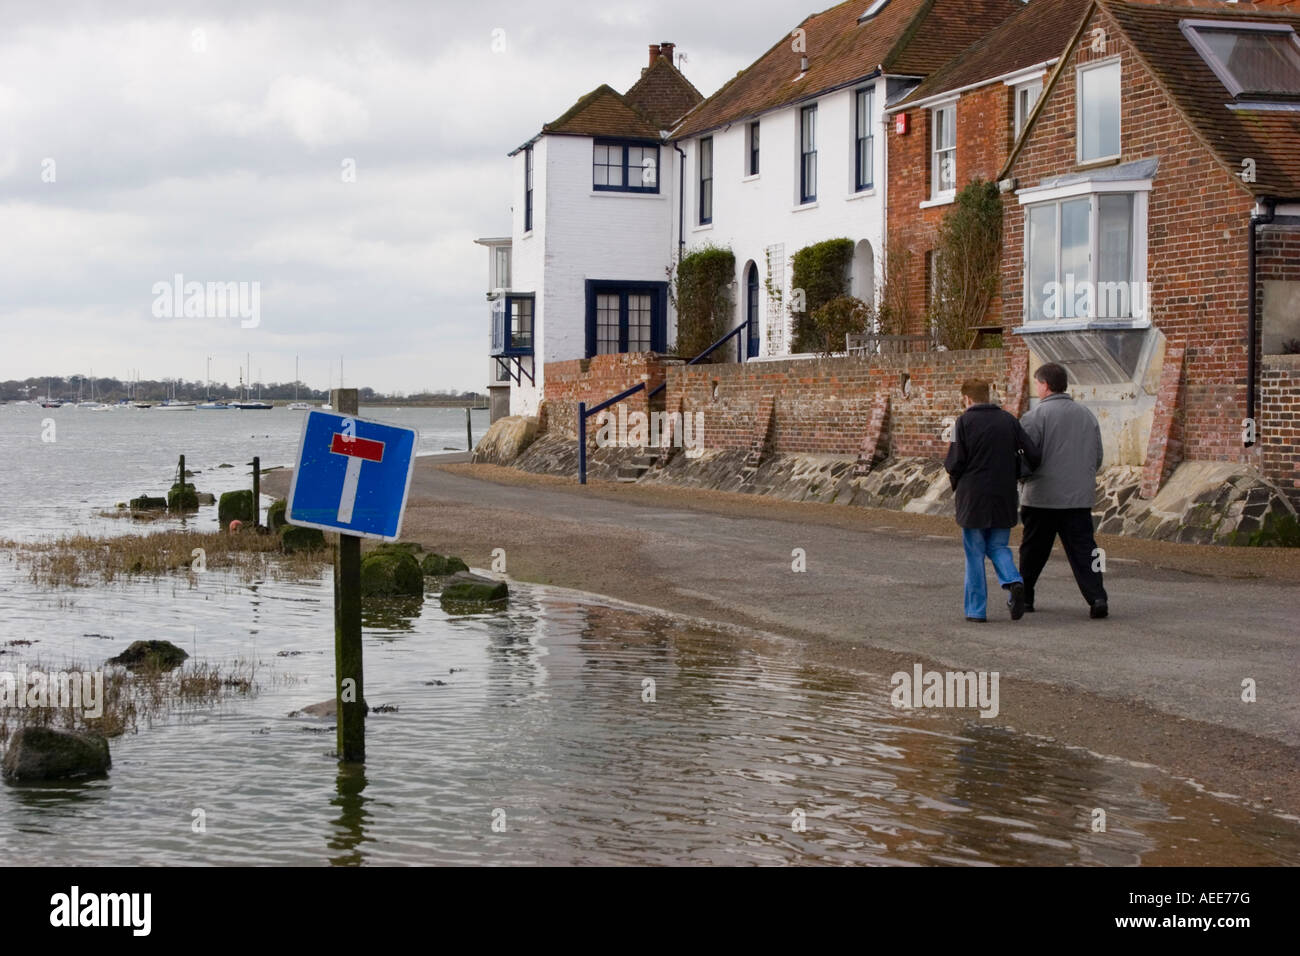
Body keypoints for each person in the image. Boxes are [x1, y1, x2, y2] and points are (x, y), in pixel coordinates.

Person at [1017, 362, 1109, 619]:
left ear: (1045, 385)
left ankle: (1026, 597)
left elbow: (1025, 457)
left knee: (1033, 551)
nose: (1037, 388)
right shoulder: (1086, 415)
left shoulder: (1034, 417)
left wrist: (1022, 480)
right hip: (1078, 498)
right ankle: (1097, 597)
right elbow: (1097, 457)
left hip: (1042, 497)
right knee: (1085, 551)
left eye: (1037, 383)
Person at [944, 380, 1041, 623]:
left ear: (966, 398)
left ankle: (976, 610)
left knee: (974, 554)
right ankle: (1014, 581)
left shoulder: (962, 423)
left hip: (973, 497)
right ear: (989, 396)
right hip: (1004, 495)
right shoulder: (1009, 420)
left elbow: (954, 463)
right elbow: (1033, 454)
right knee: (998, 546)